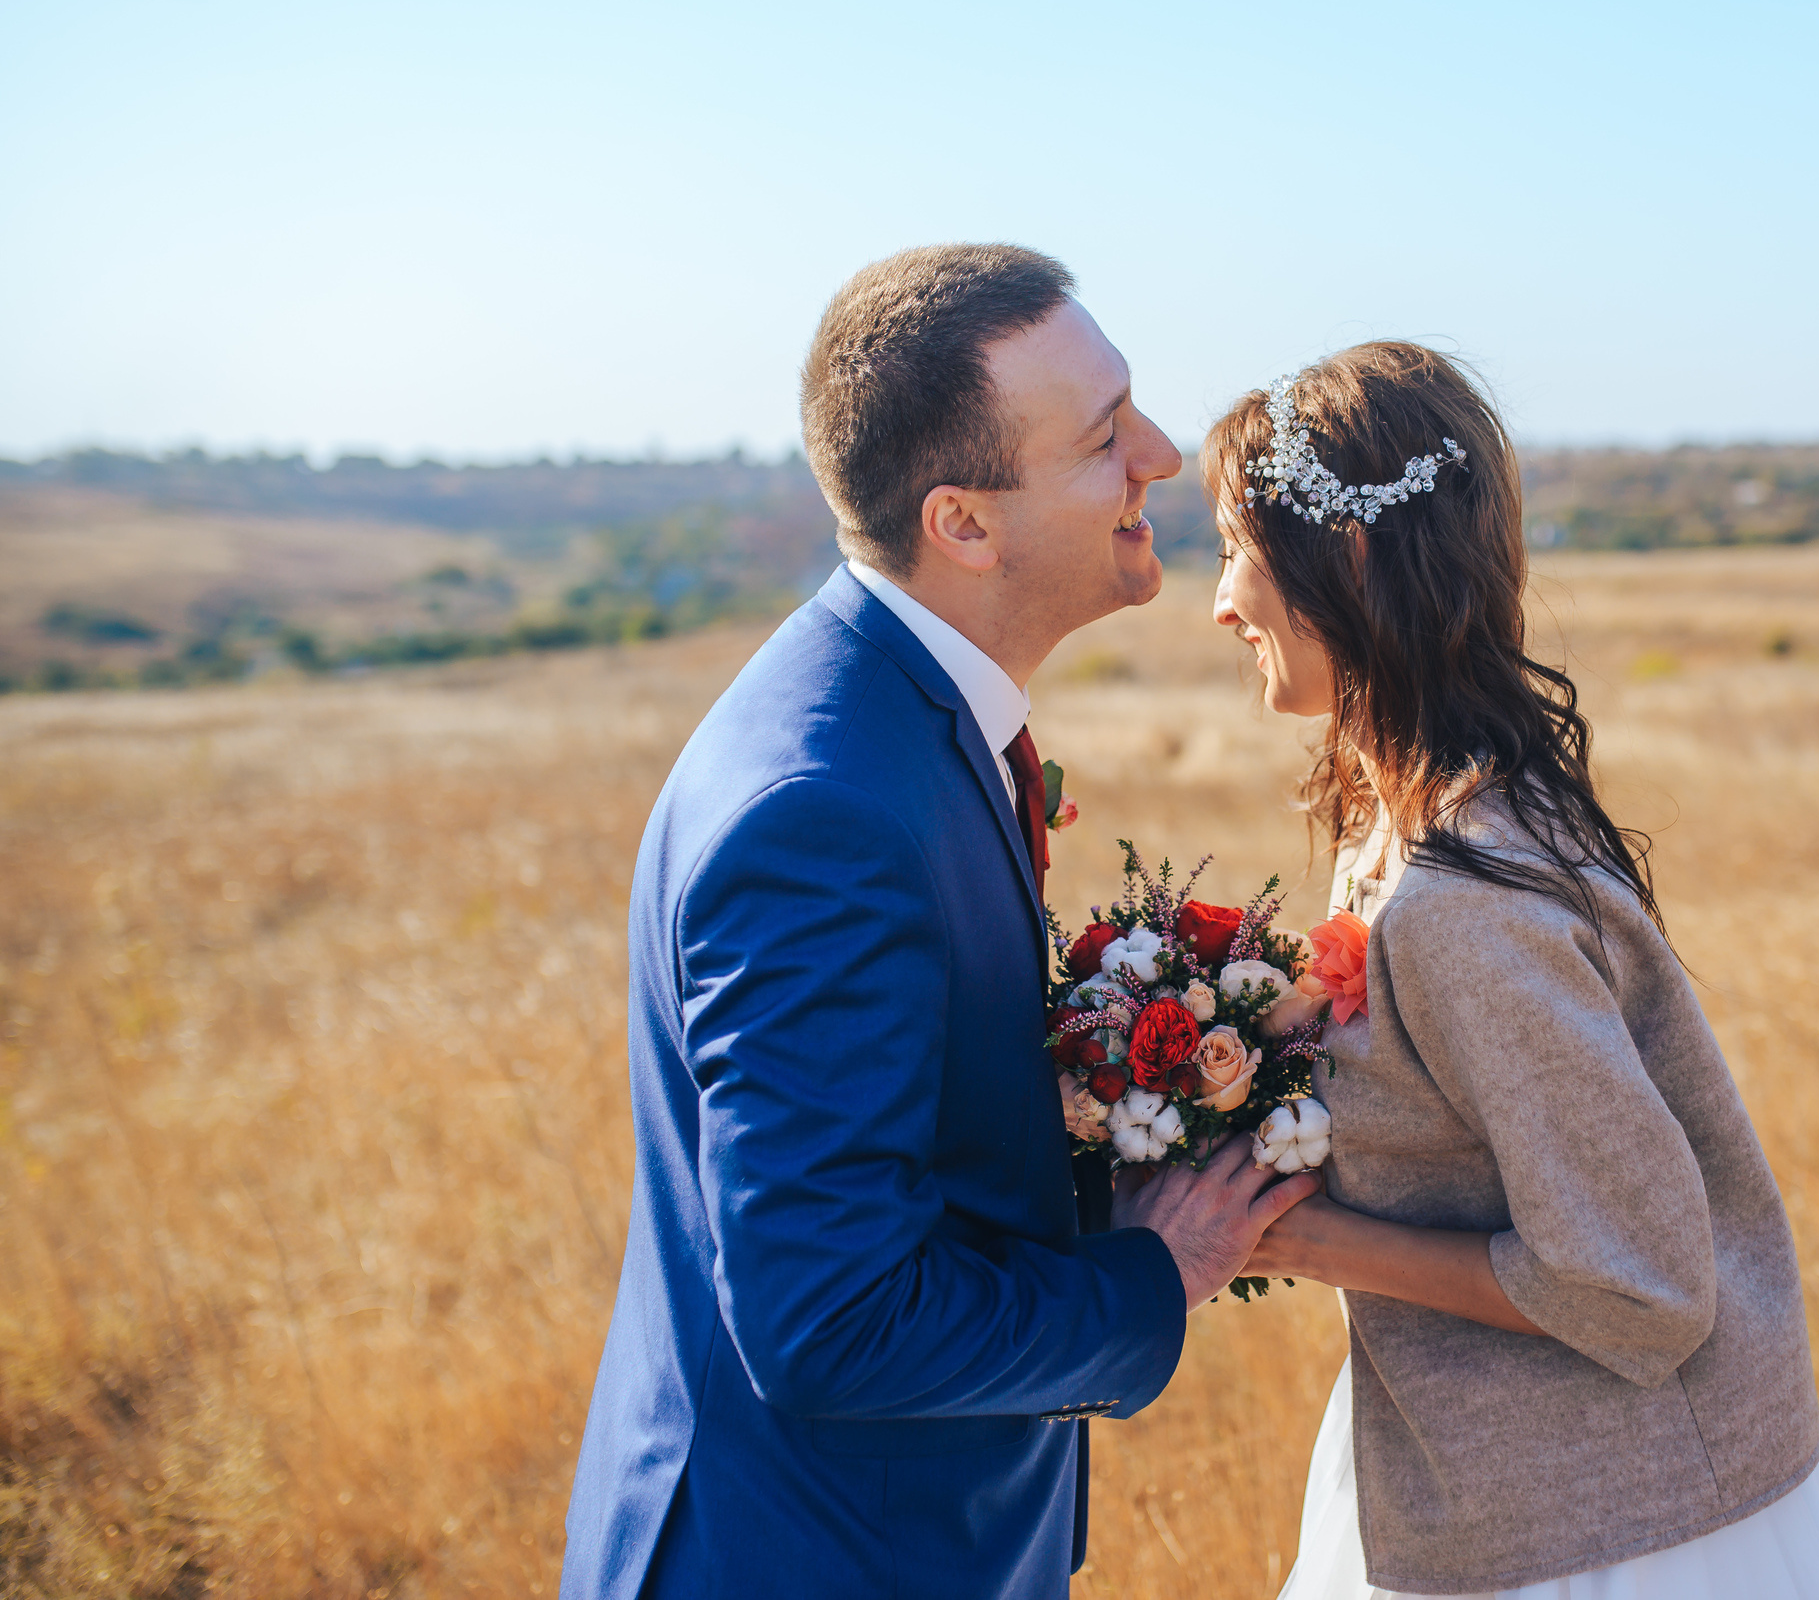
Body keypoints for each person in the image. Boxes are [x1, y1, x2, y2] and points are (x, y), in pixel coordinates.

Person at [558, 244, 1318, 1600]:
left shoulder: (895, 713)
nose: (1158, 454)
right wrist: (1153, 1272)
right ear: (963, 523)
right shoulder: (823, 815)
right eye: (1103, 436)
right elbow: (830, 1320)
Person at [1206, 344, 1819, 1600]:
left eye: (1234, 550)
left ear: (1345, 559)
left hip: (1614, 1531)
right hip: (1491, 1475)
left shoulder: (1464, 903)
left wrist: (1305, 1237)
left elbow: (1639, 1287)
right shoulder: (1400, 824)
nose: (1220, 602)